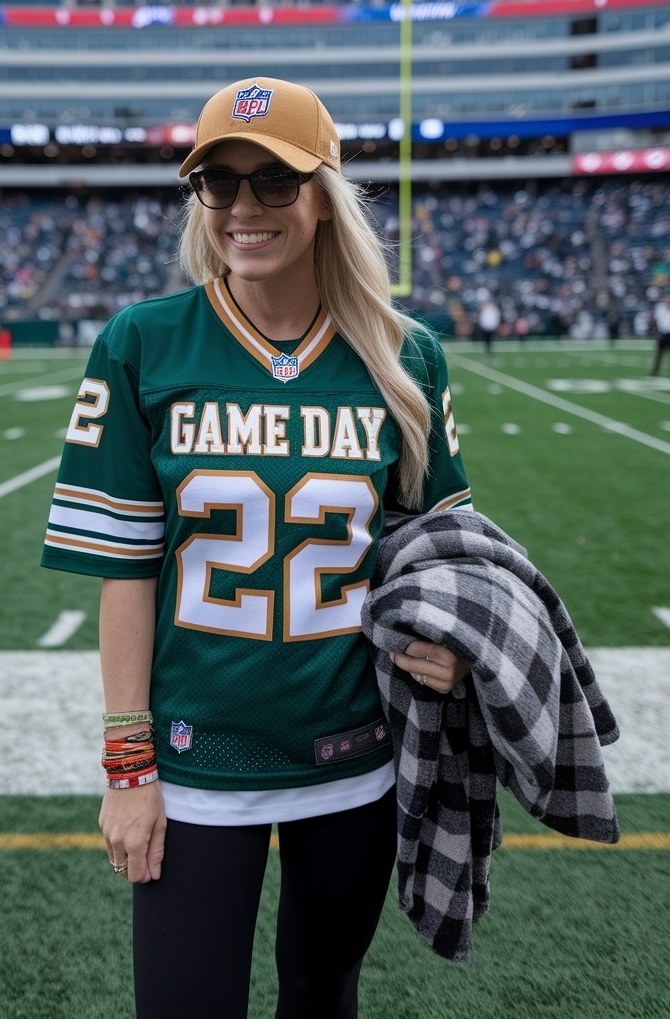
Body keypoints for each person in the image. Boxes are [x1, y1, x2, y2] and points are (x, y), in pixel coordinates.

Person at [42, 78, 472, 1019]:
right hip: (196, 759)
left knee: (324, 993)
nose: (244, 207)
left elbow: (442, 553)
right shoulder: (142, 343)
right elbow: (124, 570)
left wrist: (447, 642)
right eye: (219, 182)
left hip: (354, 752)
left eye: (274, 182)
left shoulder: (405, 356)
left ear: (323, 196)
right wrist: (128, 768)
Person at [651, 293, 670, 376]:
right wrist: (657, 333)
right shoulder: (660, 309)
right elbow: (654, 321)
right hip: (662, 334)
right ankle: (655, 371)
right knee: (659, 355)